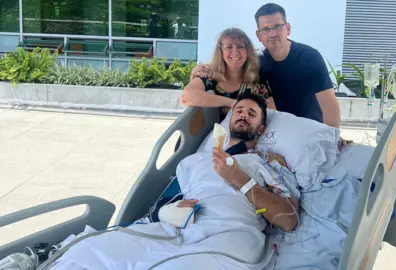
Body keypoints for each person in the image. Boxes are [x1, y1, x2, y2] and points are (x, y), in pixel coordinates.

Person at [40, 93, 299, 270]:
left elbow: (288, 219)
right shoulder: (194, 162)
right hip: (178, 231)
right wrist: (171, 211)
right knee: (86, 251)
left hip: (232, 234)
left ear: (261, 129)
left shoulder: (265, 161)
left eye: (251, 113)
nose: (243, 115)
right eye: (238, 110)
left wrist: (241, 180)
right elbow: (161, 208)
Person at [190, 4, 341, 129]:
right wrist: (203, 69)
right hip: (275, 127)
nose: (272, 33)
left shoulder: (310, 58)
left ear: (287, 28)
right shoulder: (257, 61)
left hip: (310, 127)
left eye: (277, 27)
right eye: (266, 29)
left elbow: (329, 104)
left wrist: (332, 137)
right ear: (259, 35)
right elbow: (231, 63)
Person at [180, 27, 273, 122]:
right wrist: (232, 103)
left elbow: (271, 113)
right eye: (229, 47)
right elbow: (186, 97)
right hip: (210, 136)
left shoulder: (257, 81)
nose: (235, 51)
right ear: (220, 51)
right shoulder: (208, 75)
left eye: (240, 46)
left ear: (247, 51)